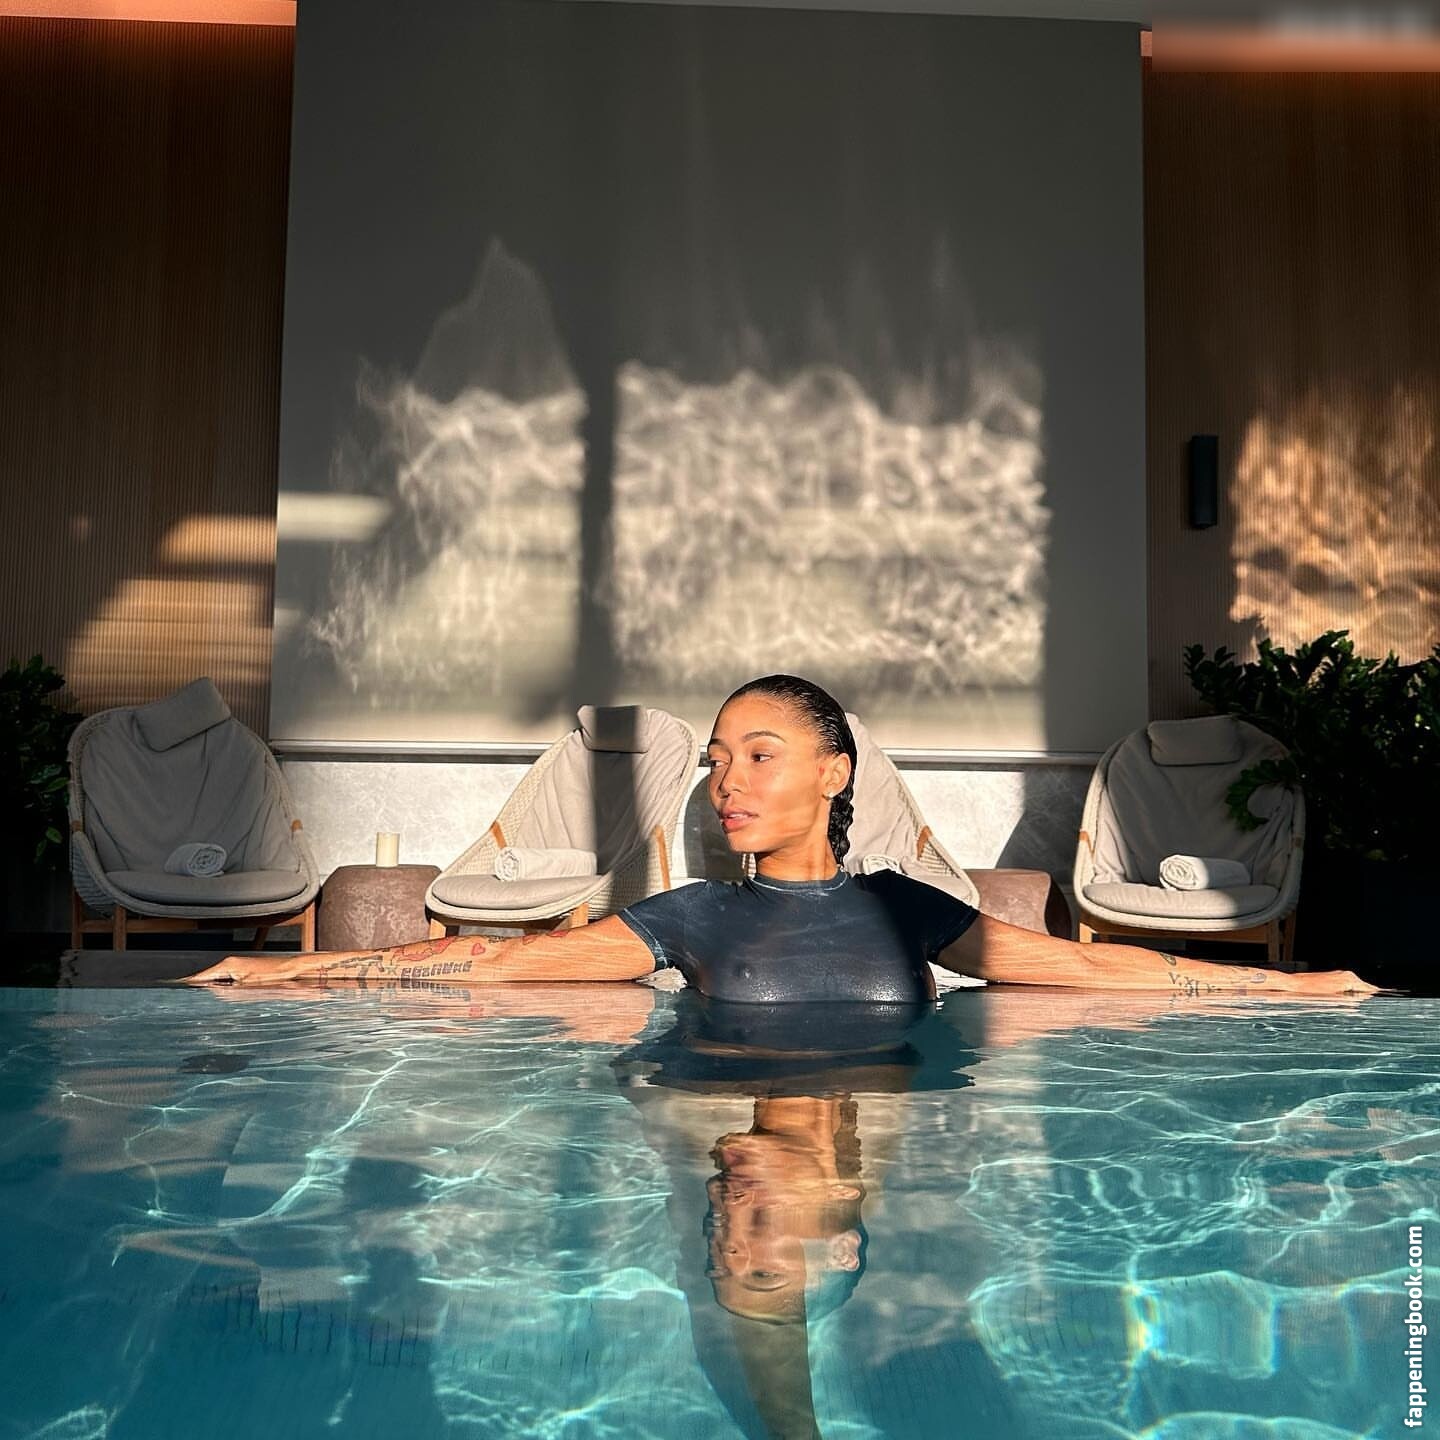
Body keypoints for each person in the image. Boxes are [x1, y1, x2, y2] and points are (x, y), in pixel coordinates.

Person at [190, 674, 1376, 998]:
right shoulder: (690, 917)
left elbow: (1103, 971)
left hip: (873, 1141)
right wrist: (289, 973)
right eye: (716, 760)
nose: (726, 780)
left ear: (834, 772)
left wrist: (1295, 988)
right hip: (730, 1134)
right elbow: (483, 962)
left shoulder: (908, 910)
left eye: (758, 754)